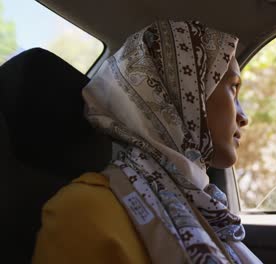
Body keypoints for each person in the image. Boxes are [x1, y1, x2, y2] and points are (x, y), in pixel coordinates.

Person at [33, 20, 262, 264]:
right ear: (184, 94)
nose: (243, 117)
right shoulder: (83, 212)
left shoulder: (206, 206)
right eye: (233, 88)